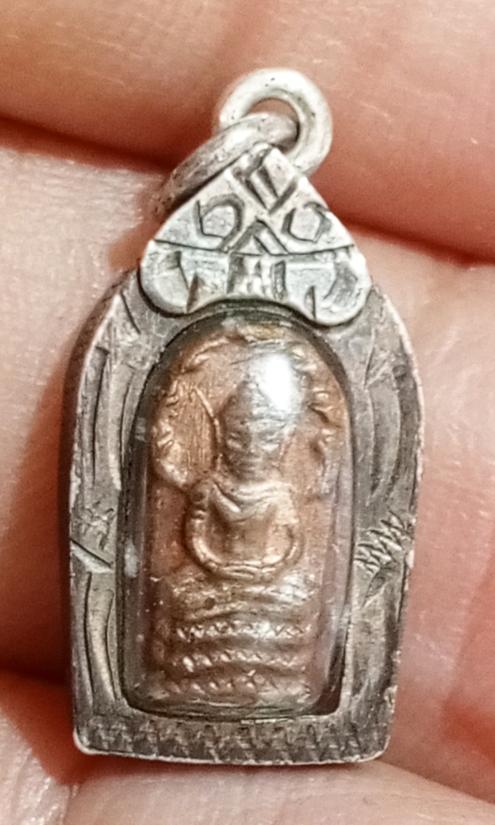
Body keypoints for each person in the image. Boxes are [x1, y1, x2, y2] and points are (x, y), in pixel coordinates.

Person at [1, 0, 495, 822]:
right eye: (242, 428)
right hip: (195, 620)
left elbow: (298, 548)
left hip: (276, 621)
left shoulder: (290, 481)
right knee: (181, 599)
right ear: (223, 429)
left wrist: (269, 577)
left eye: (268, 430)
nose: (254, 441)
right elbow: (186, 528)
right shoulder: (204, 478)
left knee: (289, 605)